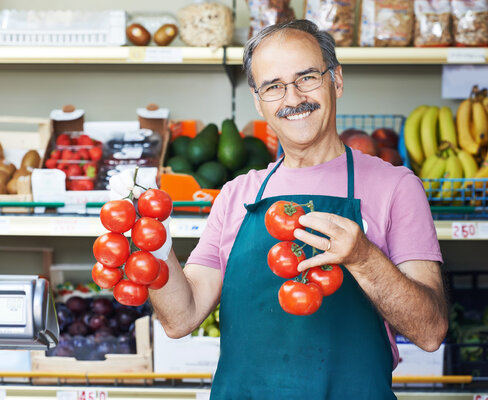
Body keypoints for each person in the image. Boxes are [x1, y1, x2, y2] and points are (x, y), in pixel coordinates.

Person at [112, 19, 448, 399]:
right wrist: (152, 241)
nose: (292, 98)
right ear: (259, 101)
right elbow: (180, 318)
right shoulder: (237, 193)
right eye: (273, 86)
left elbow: (431, 331)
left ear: (336, 80)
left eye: (307, 78)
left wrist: (363, 258)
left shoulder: (396, 187)